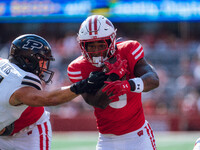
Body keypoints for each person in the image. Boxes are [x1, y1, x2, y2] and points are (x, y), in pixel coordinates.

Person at [67, 15, 159, 150]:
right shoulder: (77, 68)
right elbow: (98, 102)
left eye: (101, 44)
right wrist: (113, 77)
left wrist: (127, 85)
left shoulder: (128, 50)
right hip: (107, 140)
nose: (96, 50)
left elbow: (153, 80)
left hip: (138, 136)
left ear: (111, 42)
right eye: (91, 45)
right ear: (82, 45)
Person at [0, 34, 106, 150]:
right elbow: (49, 98)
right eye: (42, 60)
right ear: (27, 59)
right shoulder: (20, 83)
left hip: (30, 128)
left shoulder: (12, 73)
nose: (45, 66)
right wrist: (83, 85)